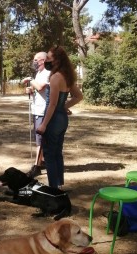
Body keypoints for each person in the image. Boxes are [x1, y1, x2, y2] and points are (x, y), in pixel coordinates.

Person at [36, 46, 83, 189]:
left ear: (57, 60)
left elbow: (52, 104)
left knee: (49, 154)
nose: (46, 61)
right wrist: (65, 106)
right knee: (57, 152)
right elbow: (78, 96)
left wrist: (43, 124)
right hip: (62, 119)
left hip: (54, 119)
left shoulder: (56, 77)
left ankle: (53, 189)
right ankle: (58, 185)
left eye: (49, 58)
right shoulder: (67, 76)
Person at [22, 52, 50, 178]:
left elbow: (40, 87)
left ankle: (37, 166)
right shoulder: (39, 72)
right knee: (39, 138)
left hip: (43, 110)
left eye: (36, 60)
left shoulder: (48, 73)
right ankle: (42, 160)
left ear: (43, 60)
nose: (34, 62)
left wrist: (31, 81)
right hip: (37, 108)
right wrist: (30, 90)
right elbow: (36, 89)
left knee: (40, 139)